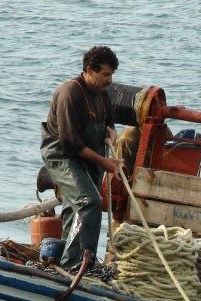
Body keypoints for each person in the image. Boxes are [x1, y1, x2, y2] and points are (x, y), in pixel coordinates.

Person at [40, 45, 124, 269]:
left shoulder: (102, 95)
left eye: (112, 74)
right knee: (90, 202)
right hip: (63, 155)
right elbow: (69, 143)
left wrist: (112, 132)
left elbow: (108, 123)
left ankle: (65, 262)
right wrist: (104, 162)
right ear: (89, 70)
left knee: (74, 207)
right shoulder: (70, 93)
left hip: (91, 155)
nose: (110, 80)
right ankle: (78, 264)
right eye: (106, 74)